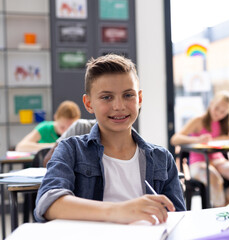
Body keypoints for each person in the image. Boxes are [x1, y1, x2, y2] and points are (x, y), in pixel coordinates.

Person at [34, 54, 185, 225]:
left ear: (140, 99)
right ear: (89, 103)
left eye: (128, 95)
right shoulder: (71, 149)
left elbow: (178, 218)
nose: (119, 106)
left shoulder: (162, 158)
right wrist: (120, 210)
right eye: (107, 97)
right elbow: (48, 203)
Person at [170, 90, 229, 207]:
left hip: (218, 161)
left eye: (223, 112)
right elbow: (175, 139)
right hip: (198, 163)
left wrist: (221, 138)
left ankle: (221, 206)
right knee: (214, 178)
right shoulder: (198, 121)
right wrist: (197, 139)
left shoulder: (224, 124)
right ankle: (219, 210)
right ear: (211, 103)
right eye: (217, 108)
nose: (219, 114)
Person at [15, 100, 81, 152]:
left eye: (70, 128)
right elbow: (20, 147)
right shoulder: (45, 128)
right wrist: (54, 146)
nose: (65, 132)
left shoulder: (79, 129)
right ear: (55, 118)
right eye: (62, 127)